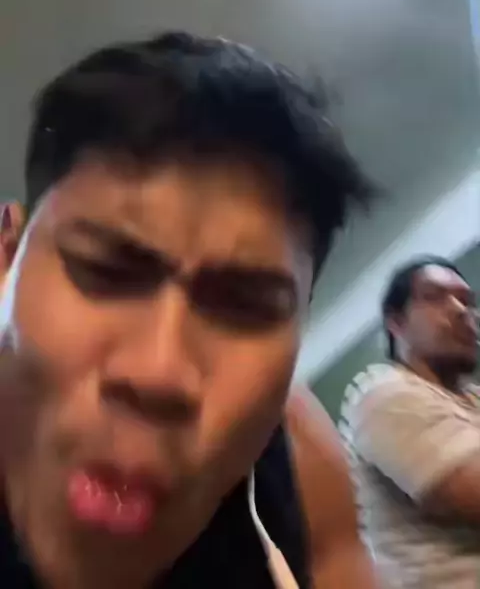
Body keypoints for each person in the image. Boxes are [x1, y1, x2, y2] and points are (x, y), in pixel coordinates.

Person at [0, 32, 379, 589]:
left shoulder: (298, 456)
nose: (158, 373)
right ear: (8, 256)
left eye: (246, 308)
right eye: (105, 270)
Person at [339, 256, 480, 589]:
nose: (461, 310)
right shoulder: (385, 394)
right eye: (435, 297)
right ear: (396, 323)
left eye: (466, 300)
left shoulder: (473, 399)